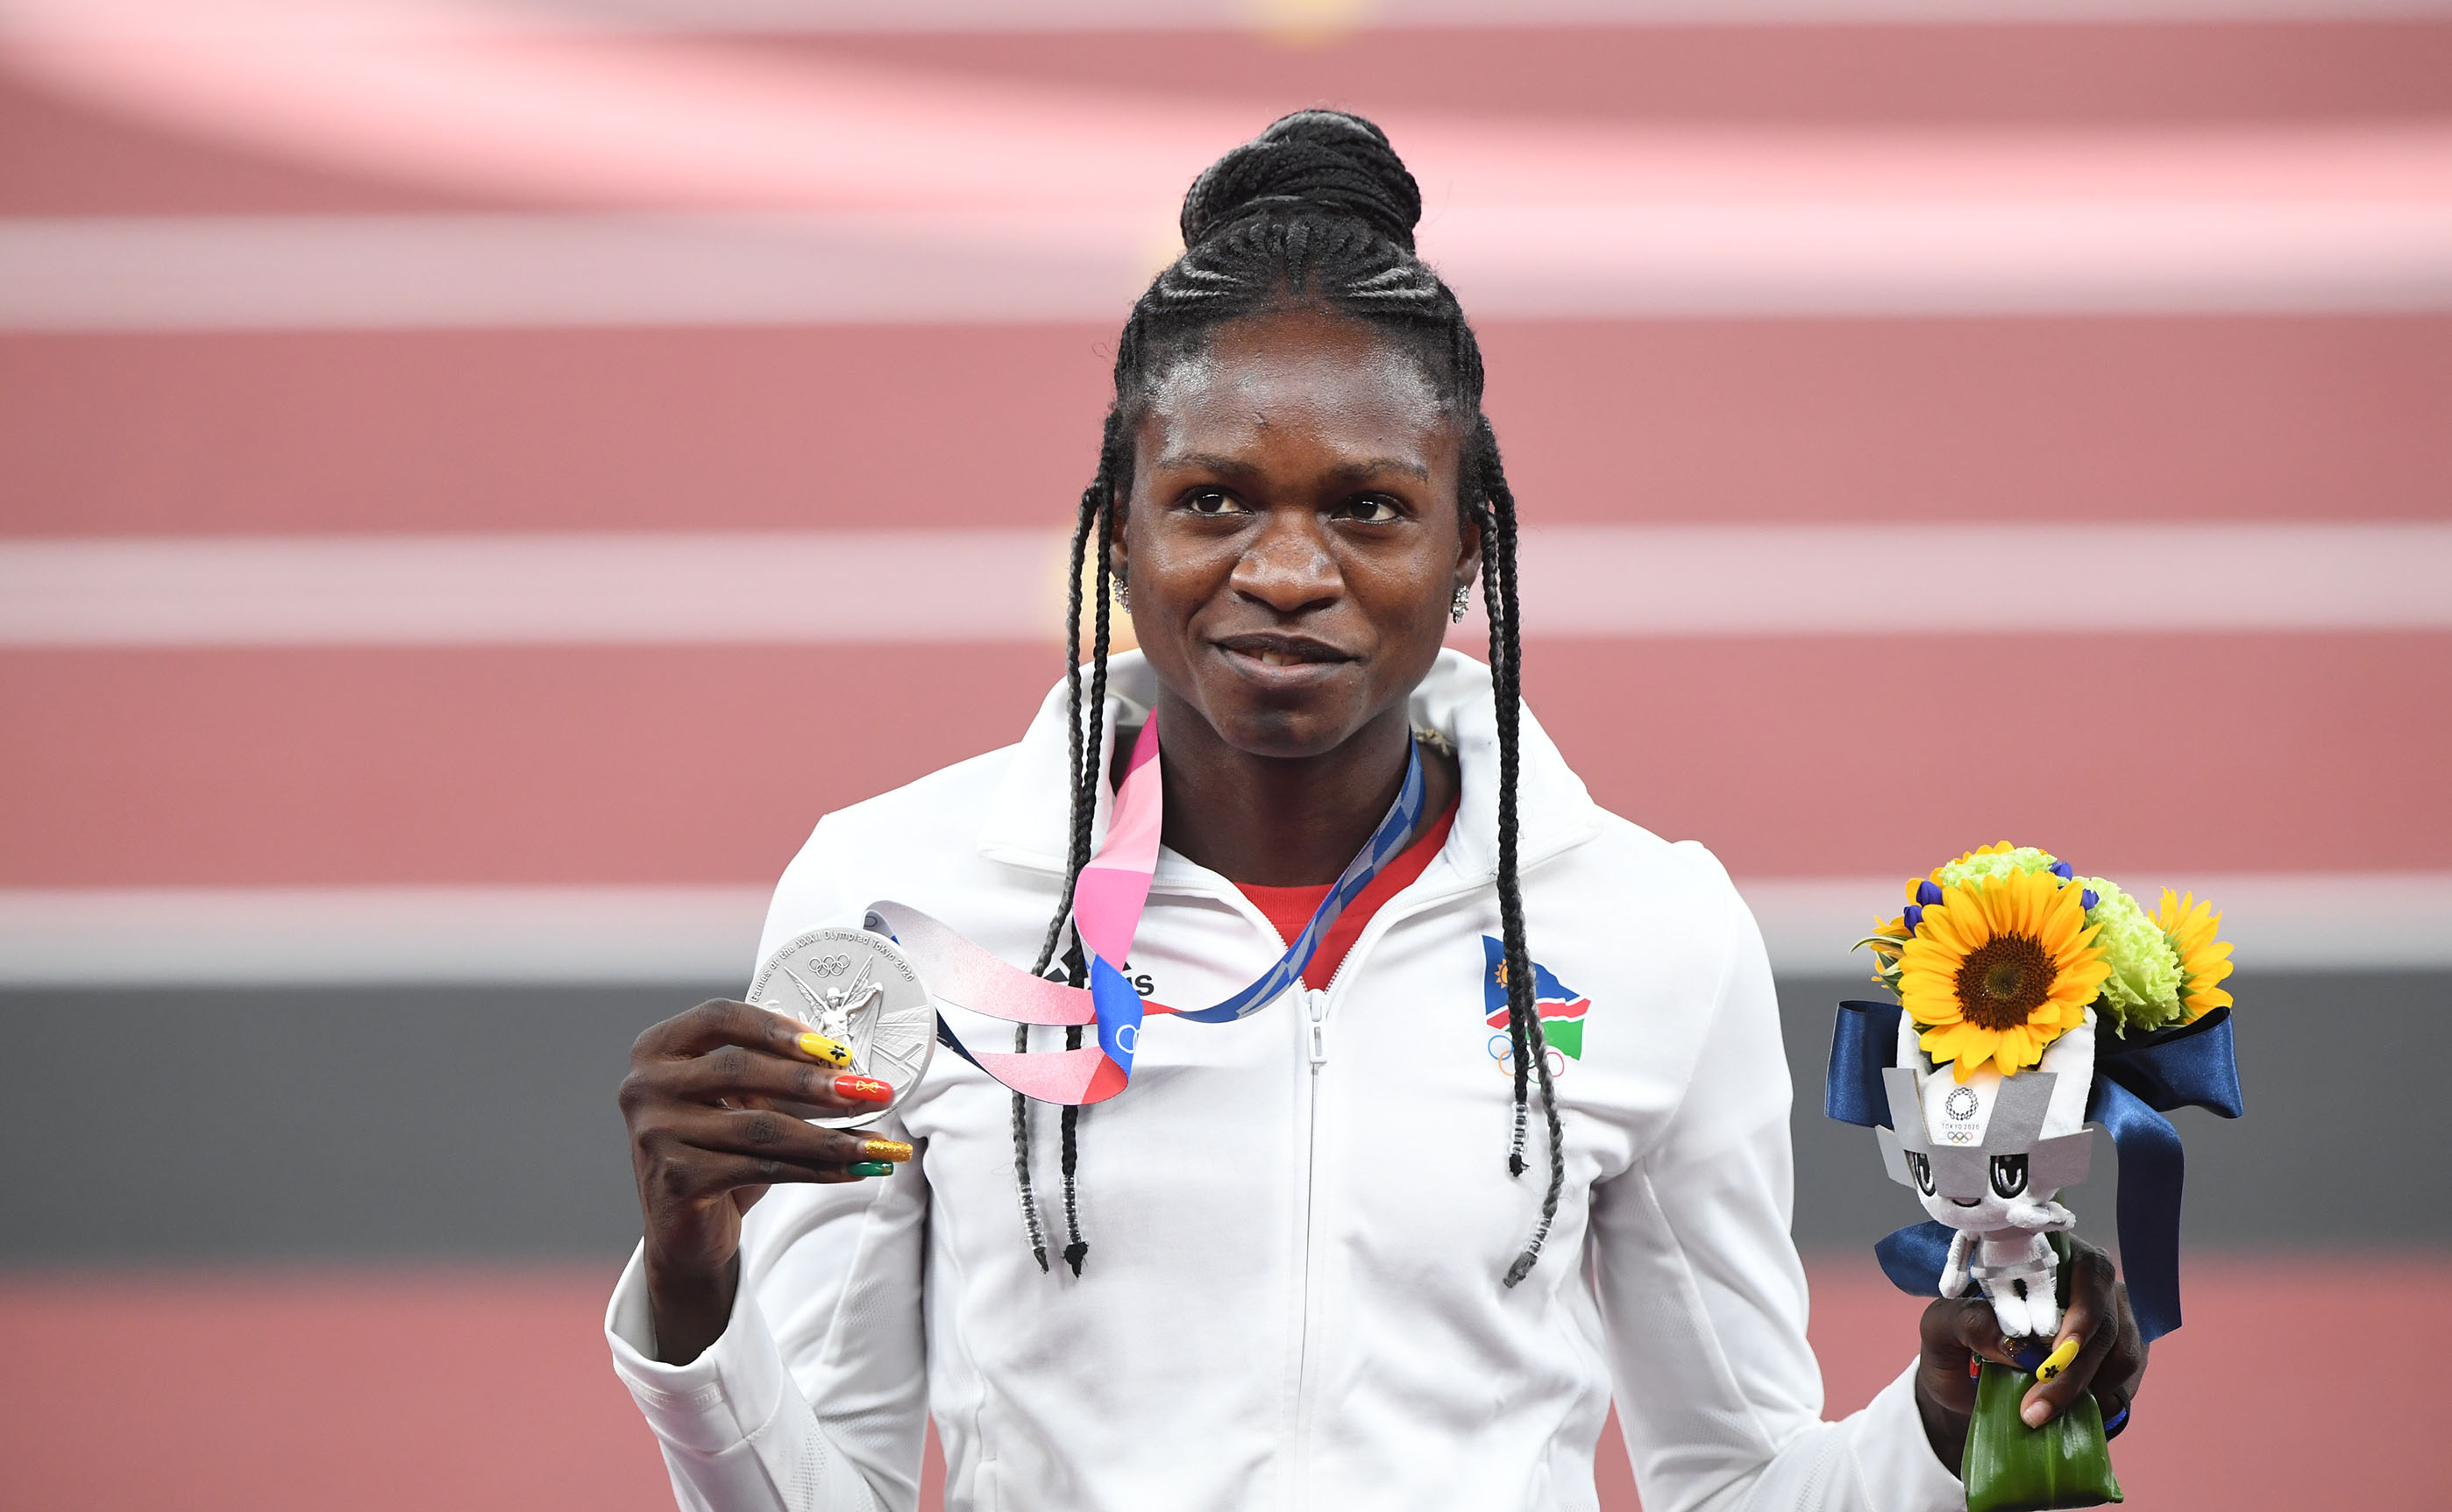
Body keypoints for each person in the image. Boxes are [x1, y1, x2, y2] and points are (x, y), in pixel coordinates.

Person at [608, 111, 2145, 1511]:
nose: (1285, 571)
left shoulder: (1649, 929)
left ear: (1468, 548)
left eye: (1366, 507)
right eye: (1211, 499)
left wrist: (1940, 1431)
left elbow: (1732, 1479)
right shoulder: (901, 903)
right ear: (1117, 532)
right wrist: (693, 1292)